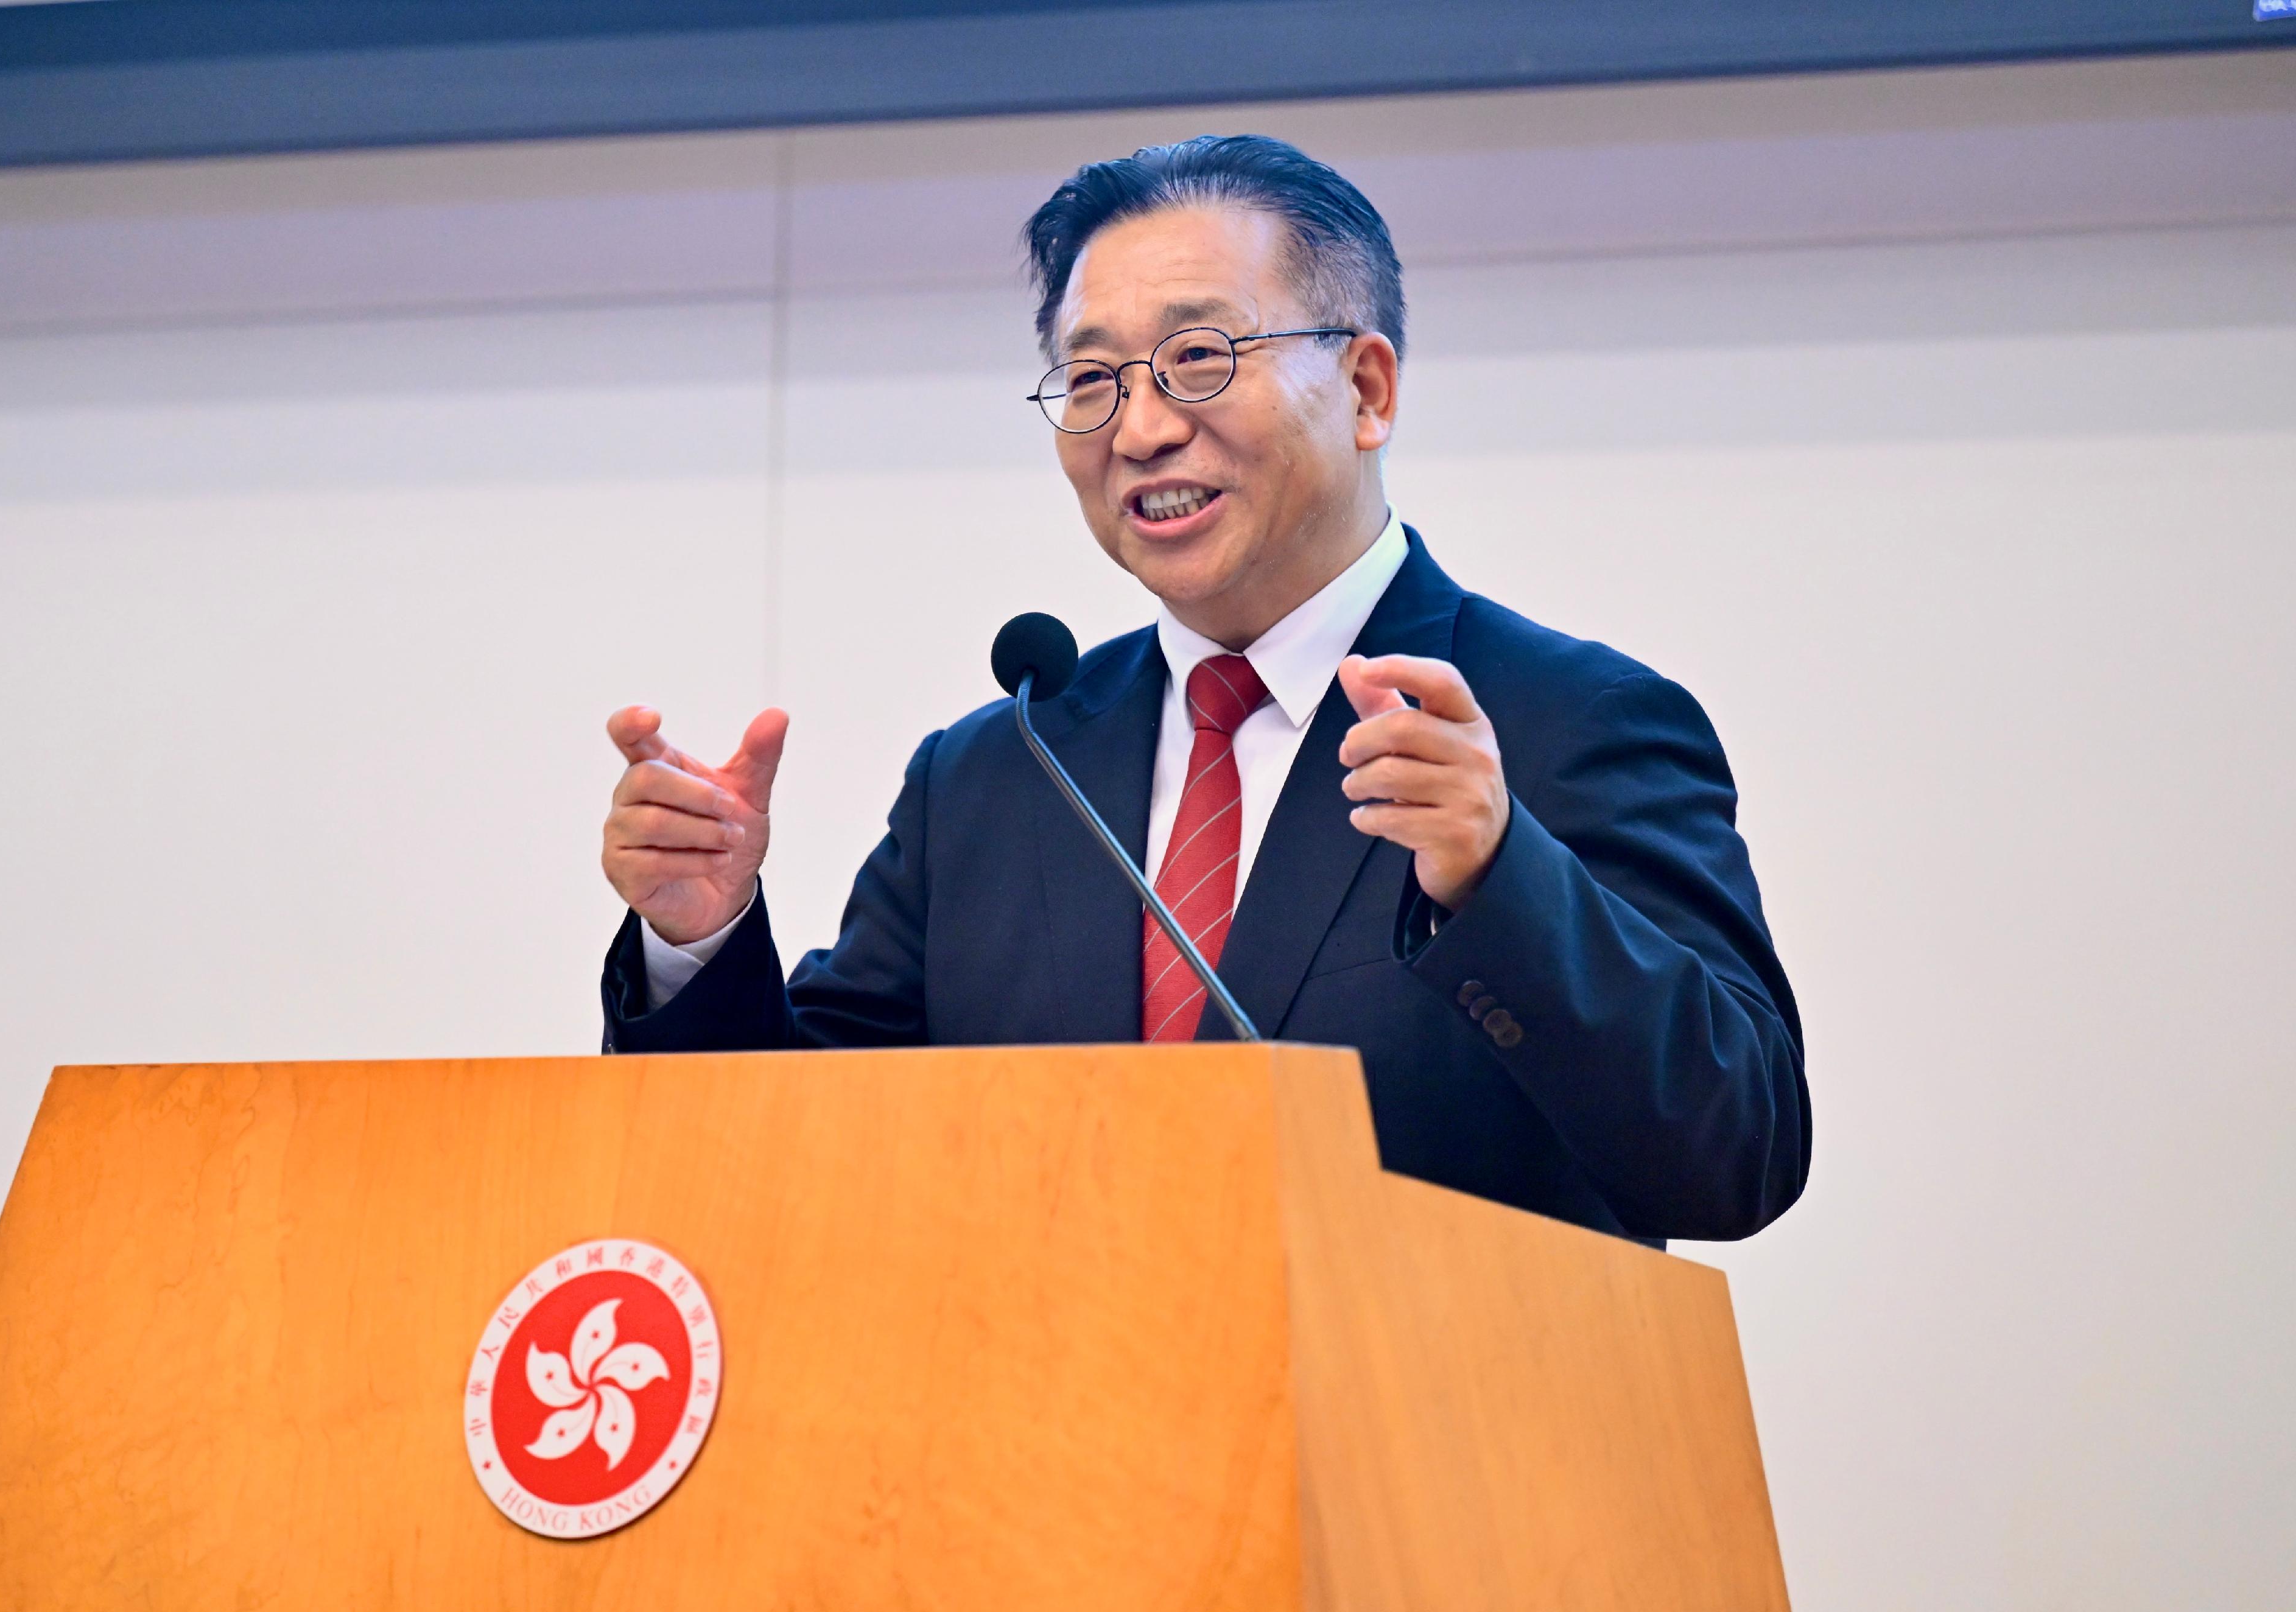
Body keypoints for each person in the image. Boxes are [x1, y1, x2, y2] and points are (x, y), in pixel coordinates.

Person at [596, 135, 1808, 1245]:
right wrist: (696, 940)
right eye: (1091, 380)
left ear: (1368, 390)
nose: (1137, 428)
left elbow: (1733, 1157)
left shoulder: (1561, 724)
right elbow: (791, 1165)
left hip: (1433, 1464)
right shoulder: (997, 774)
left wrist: (1501, 883)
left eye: (1195, 358)